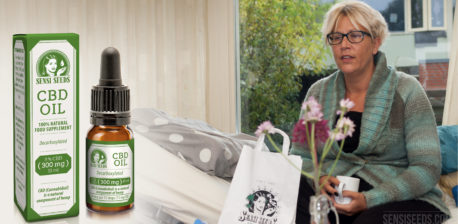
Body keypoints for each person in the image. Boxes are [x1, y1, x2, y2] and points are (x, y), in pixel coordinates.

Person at [292, 1, 450, 223]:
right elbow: (301, 156)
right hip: (336, 196)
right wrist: (319, 177)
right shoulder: (317, 93)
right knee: (288, 193)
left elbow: (427, 168)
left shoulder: (406, 91)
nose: (344, 45)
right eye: (336, 37)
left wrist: (370, 199)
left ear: (375, 43)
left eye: (354, 36)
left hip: (402, 198)